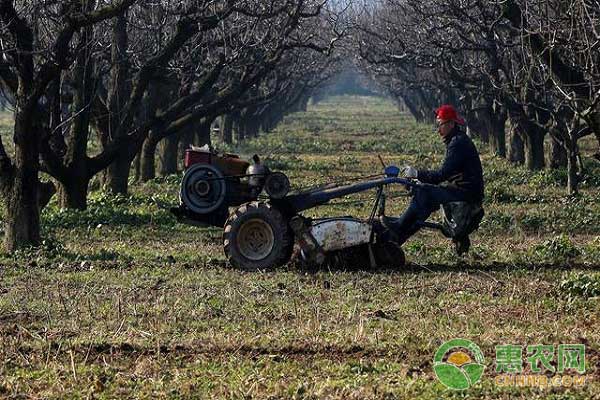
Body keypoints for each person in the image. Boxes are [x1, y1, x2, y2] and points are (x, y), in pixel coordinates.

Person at [381, 104, 484, 254]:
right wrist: (421, 180)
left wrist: (417, 174)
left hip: (466, 193)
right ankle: (398, 237)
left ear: (451, 123)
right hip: (462, 189)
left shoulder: (458, 143)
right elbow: (445, 175)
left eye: (440, 124)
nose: (438, 129)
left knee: (425, 193)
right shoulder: (456, 140)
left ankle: (399, 227)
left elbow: (441, 175)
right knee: (425, 199)